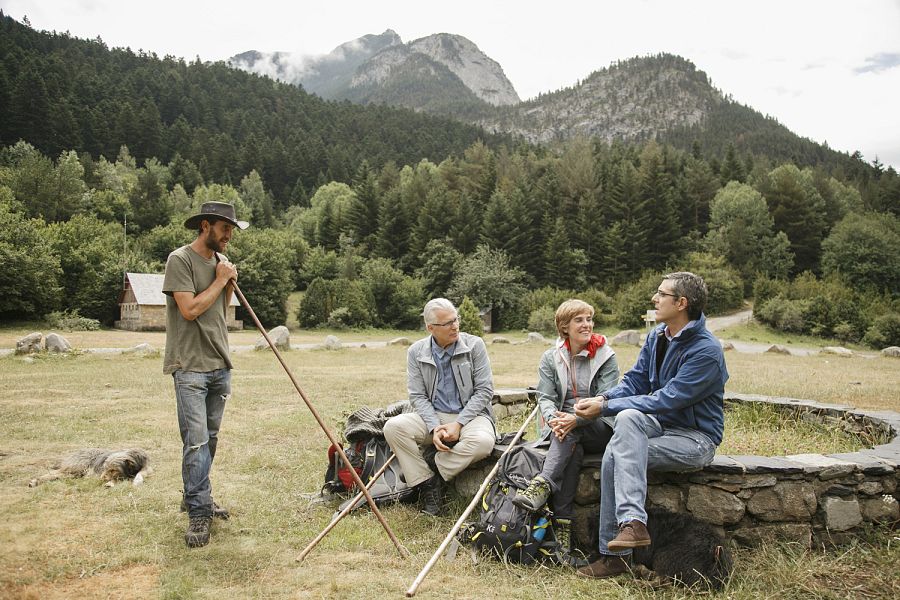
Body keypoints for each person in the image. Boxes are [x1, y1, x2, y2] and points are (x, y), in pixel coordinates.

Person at [572, 272, 727, 578]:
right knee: (627, 422)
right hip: (658, 428)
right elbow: (635, 381)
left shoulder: (706, 351)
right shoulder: (658, 337)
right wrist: (603, 399)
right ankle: (631, 527)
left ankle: (615, 553)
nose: (654, 299)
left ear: (681, 303)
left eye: (661, 294)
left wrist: (605, 408)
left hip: (695, 440)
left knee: (615, 452)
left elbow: (666, 399)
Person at [163, 201, 249, 548]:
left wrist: (228, 285)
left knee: (209, 440)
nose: (229, 235)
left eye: (231, 229)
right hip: (189, 367)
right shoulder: (180, 260)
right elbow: (190, 310)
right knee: (195, 441)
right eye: (224, 228)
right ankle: (199, 511)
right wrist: (221, 279)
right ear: (205, 226)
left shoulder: (219, 264)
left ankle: (194, 494)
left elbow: (219, 312)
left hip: (219, 364)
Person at [511, 299, 618, 566]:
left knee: (571, 434)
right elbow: (545, 397)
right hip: (562, 428)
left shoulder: (606, 355)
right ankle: (562, 546)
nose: (587, 325)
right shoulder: (551, 357)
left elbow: (607, 399)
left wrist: (575, 419)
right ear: (564, 327)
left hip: (599, 426)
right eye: (579, 320)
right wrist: (553, 419)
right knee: (572, 447)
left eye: (589, 319)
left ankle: (543, 483)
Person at [383, 298, 496, 516]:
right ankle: (428, 486)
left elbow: (484, 391)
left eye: (456, 319)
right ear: (430, 328)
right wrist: (435, 427)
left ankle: (432, 470)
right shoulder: (416, 352)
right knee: (393, 427)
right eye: (447, 323)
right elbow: (417, 396)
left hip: (471, 416)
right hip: (433, 416)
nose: (455, 326)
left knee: (483, 442)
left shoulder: (475, 345)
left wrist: (459, 423)